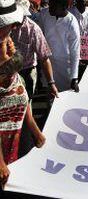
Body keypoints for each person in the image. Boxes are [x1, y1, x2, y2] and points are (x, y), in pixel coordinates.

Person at [0, 52, 46, 187]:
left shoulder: (17, 79)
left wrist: (37, 133)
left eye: (13, 74)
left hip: (15, 140)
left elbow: (25, 107)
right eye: (4, 75)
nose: (10, 79)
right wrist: (1, 163)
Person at [37, 0, 80, 92]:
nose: (49, 9)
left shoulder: (72, 22)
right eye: (49, 5)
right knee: (49, 93)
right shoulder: (44, 14)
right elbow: (40, 37)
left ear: (64, 7)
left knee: (63, 99)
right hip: (47, 63)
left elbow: (75, 51)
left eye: (53, 6)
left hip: (64, 66)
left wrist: (74, 77)